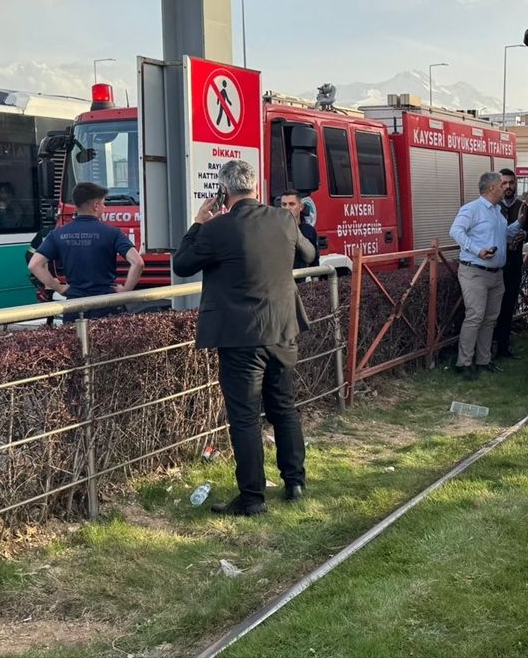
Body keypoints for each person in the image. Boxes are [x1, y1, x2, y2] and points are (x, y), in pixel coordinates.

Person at [172, 160, 315, 517]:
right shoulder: (283, 219)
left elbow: (182, 264)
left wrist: (197, 223)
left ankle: (252, 497)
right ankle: (294, 482)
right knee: (284, 406)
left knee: (245, 417)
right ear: (254, 187)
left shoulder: (217, 228)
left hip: (239, 336)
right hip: (283, 329)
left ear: (224, 191)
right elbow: (309, 254)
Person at [28, 181, 144, 320]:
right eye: (103, 203)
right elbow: (138, 263)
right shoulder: (112, 233)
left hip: (74, 305)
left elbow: (34, 264)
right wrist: (126, 291)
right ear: (96, 206)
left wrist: (59, 288)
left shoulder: (58, 233)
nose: (104, 207)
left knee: (77, 340)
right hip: (106, 304)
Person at [449, 172, 525, 377]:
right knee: (475, 316)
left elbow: (503, 235)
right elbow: (456, 231)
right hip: (475, 271)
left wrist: (519, 223)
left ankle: (483, 360)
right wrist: (477, 250)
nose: (505, 188)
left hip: (495, 274)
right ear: (491, 188)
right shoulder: (472, 209)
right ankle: (463, 363)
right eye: (501, 185)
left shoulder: (498, 212)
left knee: (490, 318)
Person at [493, 169, 528, 360]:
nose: (508, 187)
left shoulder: (524, 207)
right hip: (494, 266)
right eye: (504, 183)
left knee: (508, 307)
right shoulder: (493, 207)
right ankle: (488, 348)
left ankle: (503, 348)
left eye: (511, 183)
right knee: (491, 310)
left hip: (513, 265)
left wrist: (526, 235)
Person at [279, 189, 320, 269]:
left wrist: (315, 279)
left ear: (301, 207)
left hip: (300, 278)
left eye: (292, 204)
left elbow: (314, 262)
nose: (287, 208)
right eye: (284, 204)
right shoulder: (276, 229)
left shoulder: (308, 231)